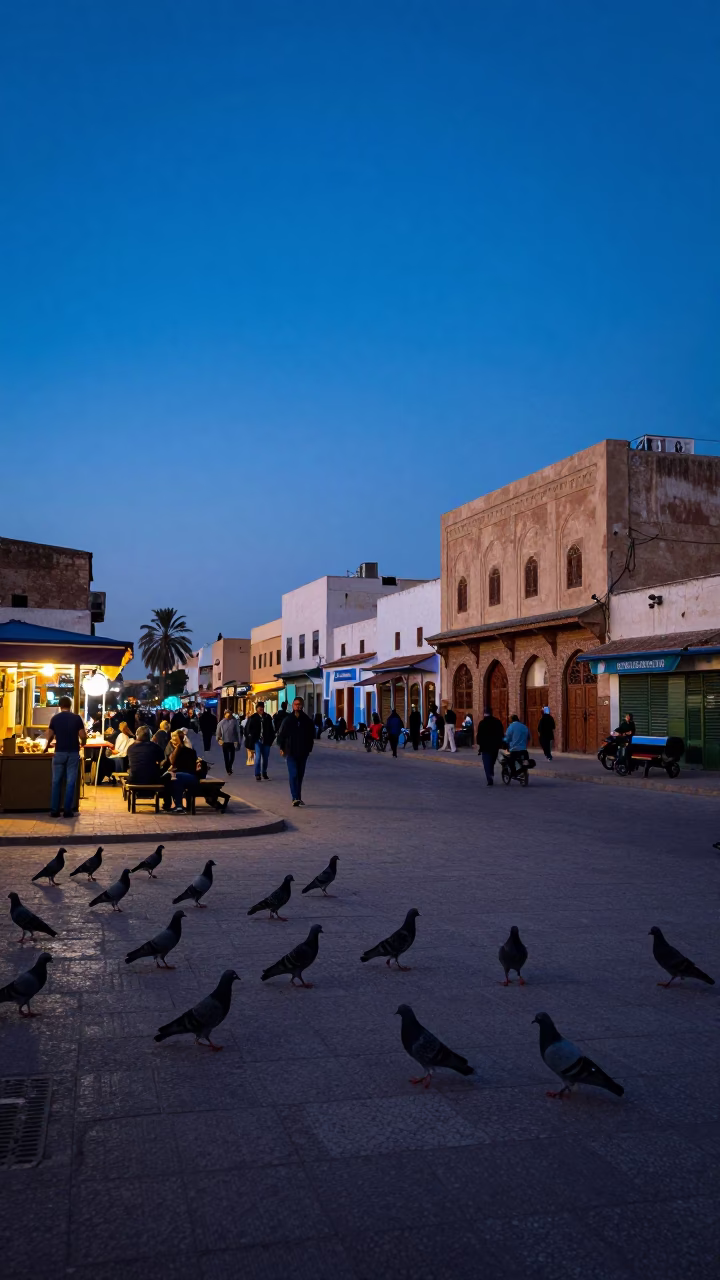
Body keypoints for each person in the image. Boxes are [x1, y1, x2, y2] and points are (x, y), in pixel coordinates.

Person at [43, 695, 87, 817]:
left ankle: (54, 810)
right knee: (70, 781)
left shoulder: (55, 718)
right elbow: (83, 735)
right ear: (70, 705)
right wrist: (83, 744)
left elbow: (50, 735)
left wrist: (46, 747)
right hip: (73, 752)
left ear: (60, 706)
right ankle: (68, 811)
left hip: (59, 752)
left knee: (56, 781)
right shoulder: (76, 718)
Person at [276, 695, 315, 806]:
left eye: (299, 704)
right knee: (293, 774)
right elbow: (281, 735)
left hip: (303, 752)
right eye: (295, 704)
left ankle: (298, 797)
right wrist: (282, 747)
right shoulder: (288, 720)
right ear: (292, 706)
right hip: (290, 751)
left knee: (300, 775)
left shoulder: (306, 720)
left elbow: (311, 735)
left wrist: (309, 749)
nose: (297, 706)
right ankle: (294, 797)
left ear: (302, 705)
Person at [166, 729, 199, 813]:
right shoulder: (191, 750)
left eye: (173, 739)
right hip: (192, 777)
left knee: (175, 778)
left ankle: (178, 806)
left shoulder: (180, 751)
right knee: (176, 780)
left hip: (186, 776)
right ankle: (179, 805)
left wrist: (177, 747)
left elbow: (172, 762)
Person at [244, 699, 276, 781]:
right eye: (259, 708)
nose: (261, 709)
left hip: (266, 741)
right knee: (257, 758)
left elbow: (272, 729)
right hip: (257, 741)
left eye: (262, 707)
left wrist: (271, 739)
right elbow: (247, 729)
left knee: (265, 758)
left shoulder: (268, 717)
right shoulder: (253, 718)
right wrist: (250, 737)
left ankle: (264, 773)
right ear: (256, 708)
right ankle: (257, 774)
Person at [476, 707, 505, 786]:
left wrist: (479, 744)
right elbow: (501, 733)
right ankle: (491, 773)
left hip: (485, 746)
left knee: (486, 762)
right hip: (495, 746)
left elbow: (479, 735)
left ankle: (489, 777)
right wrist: (501, 742)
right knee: (492, 761)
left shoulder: (482, 723)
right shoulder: (497, 722)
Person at [216, 709, 240, 775]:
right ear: (225, 714)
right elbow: (218, 732)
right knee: (226, 756)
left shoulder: (234, 721)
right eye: (227, 714)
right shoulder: (221, 723)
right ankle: (228, 769)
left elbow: (237, 731)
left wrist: (238, 740)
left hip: (232, 741)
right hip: (224, 742)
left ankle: (230, 766)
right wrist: (218, 739)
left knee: (232, 756)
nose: (228, 715)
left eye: (229, 714)